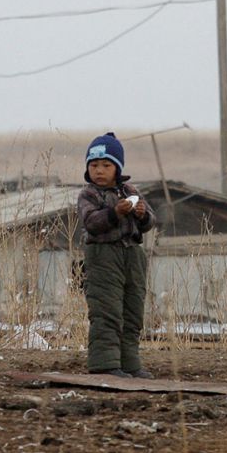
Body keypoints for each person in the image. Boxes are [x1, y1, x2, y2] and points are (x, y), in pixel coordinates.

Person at [77, 131, 156, 378]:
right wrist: (116, 212)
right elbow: (91, 222)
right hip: (103, 255)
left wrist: (141, 214)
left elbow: (150, 222)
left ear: (118, 168)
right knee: (106, 310)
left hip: (132, 255)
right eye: (94, 165)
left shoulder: (130, 190)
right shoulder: (88, 194)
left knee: (133, 311)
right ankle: (104, 364)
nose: (99, 171)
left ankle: (130, 364)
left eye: (106, 165)